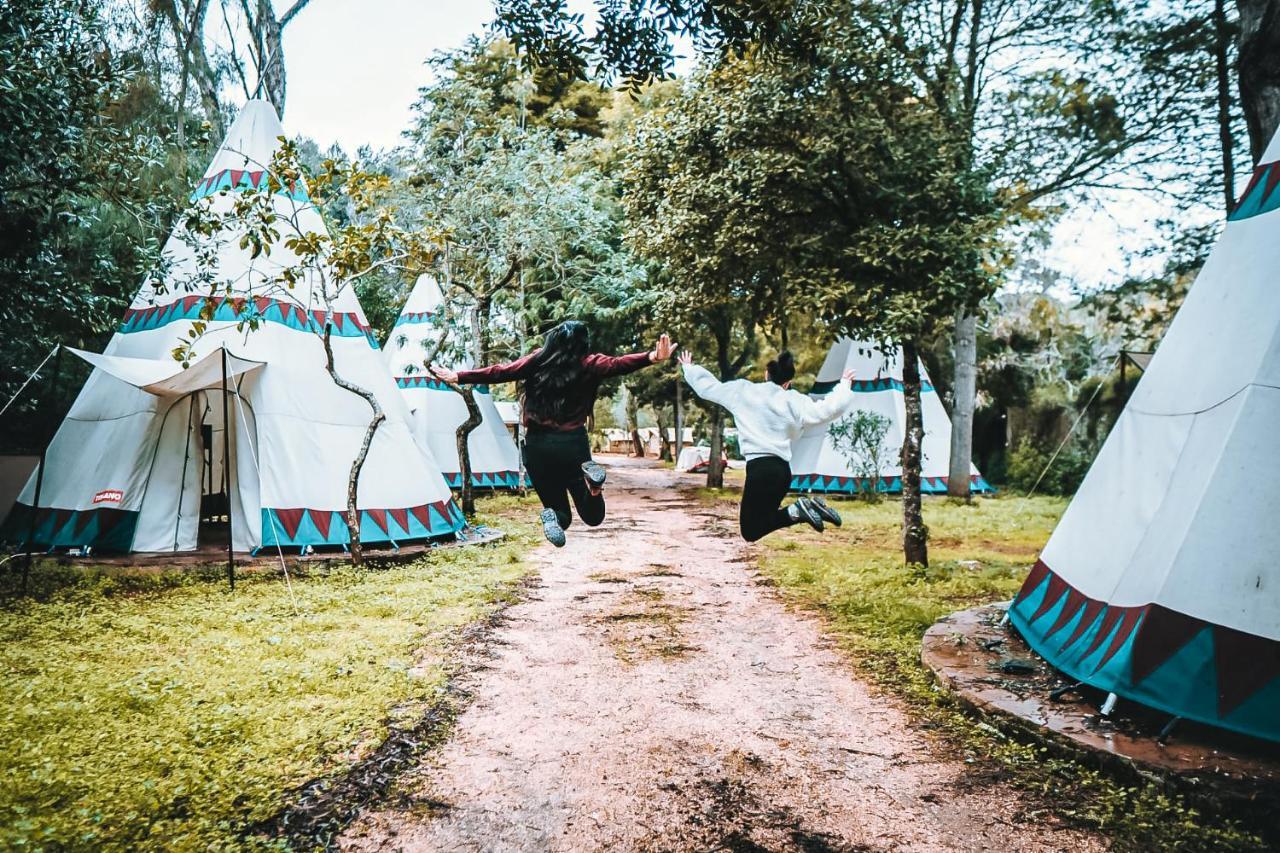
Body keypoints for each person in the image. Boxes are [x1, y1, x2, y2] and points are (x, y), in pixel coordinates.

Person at [430, 322, 676, 546]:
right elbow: (619, 363)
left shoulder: (538, 360)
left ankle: (552, 517)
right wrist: (651, 356)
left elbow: (501, 371)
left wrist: (460, 376)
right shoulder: (589, 364)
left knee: (561, 515)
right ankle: (594, 486)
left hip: (537, 448)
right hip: (574, 446)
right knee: (593, 517)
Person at [679, 349, 855, 542]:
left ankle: (798, 510)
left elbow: (709, 388)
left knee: (750, 530)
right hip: (782, 472)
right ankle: (803, 509)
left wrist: (689, 368)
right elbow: (827, 410)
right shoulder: (794, 399)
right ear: (787, 383)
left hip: (759, 470)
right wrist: (844, 386)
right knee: (763, 522)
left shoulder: (743, 391)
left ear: (766, 374)